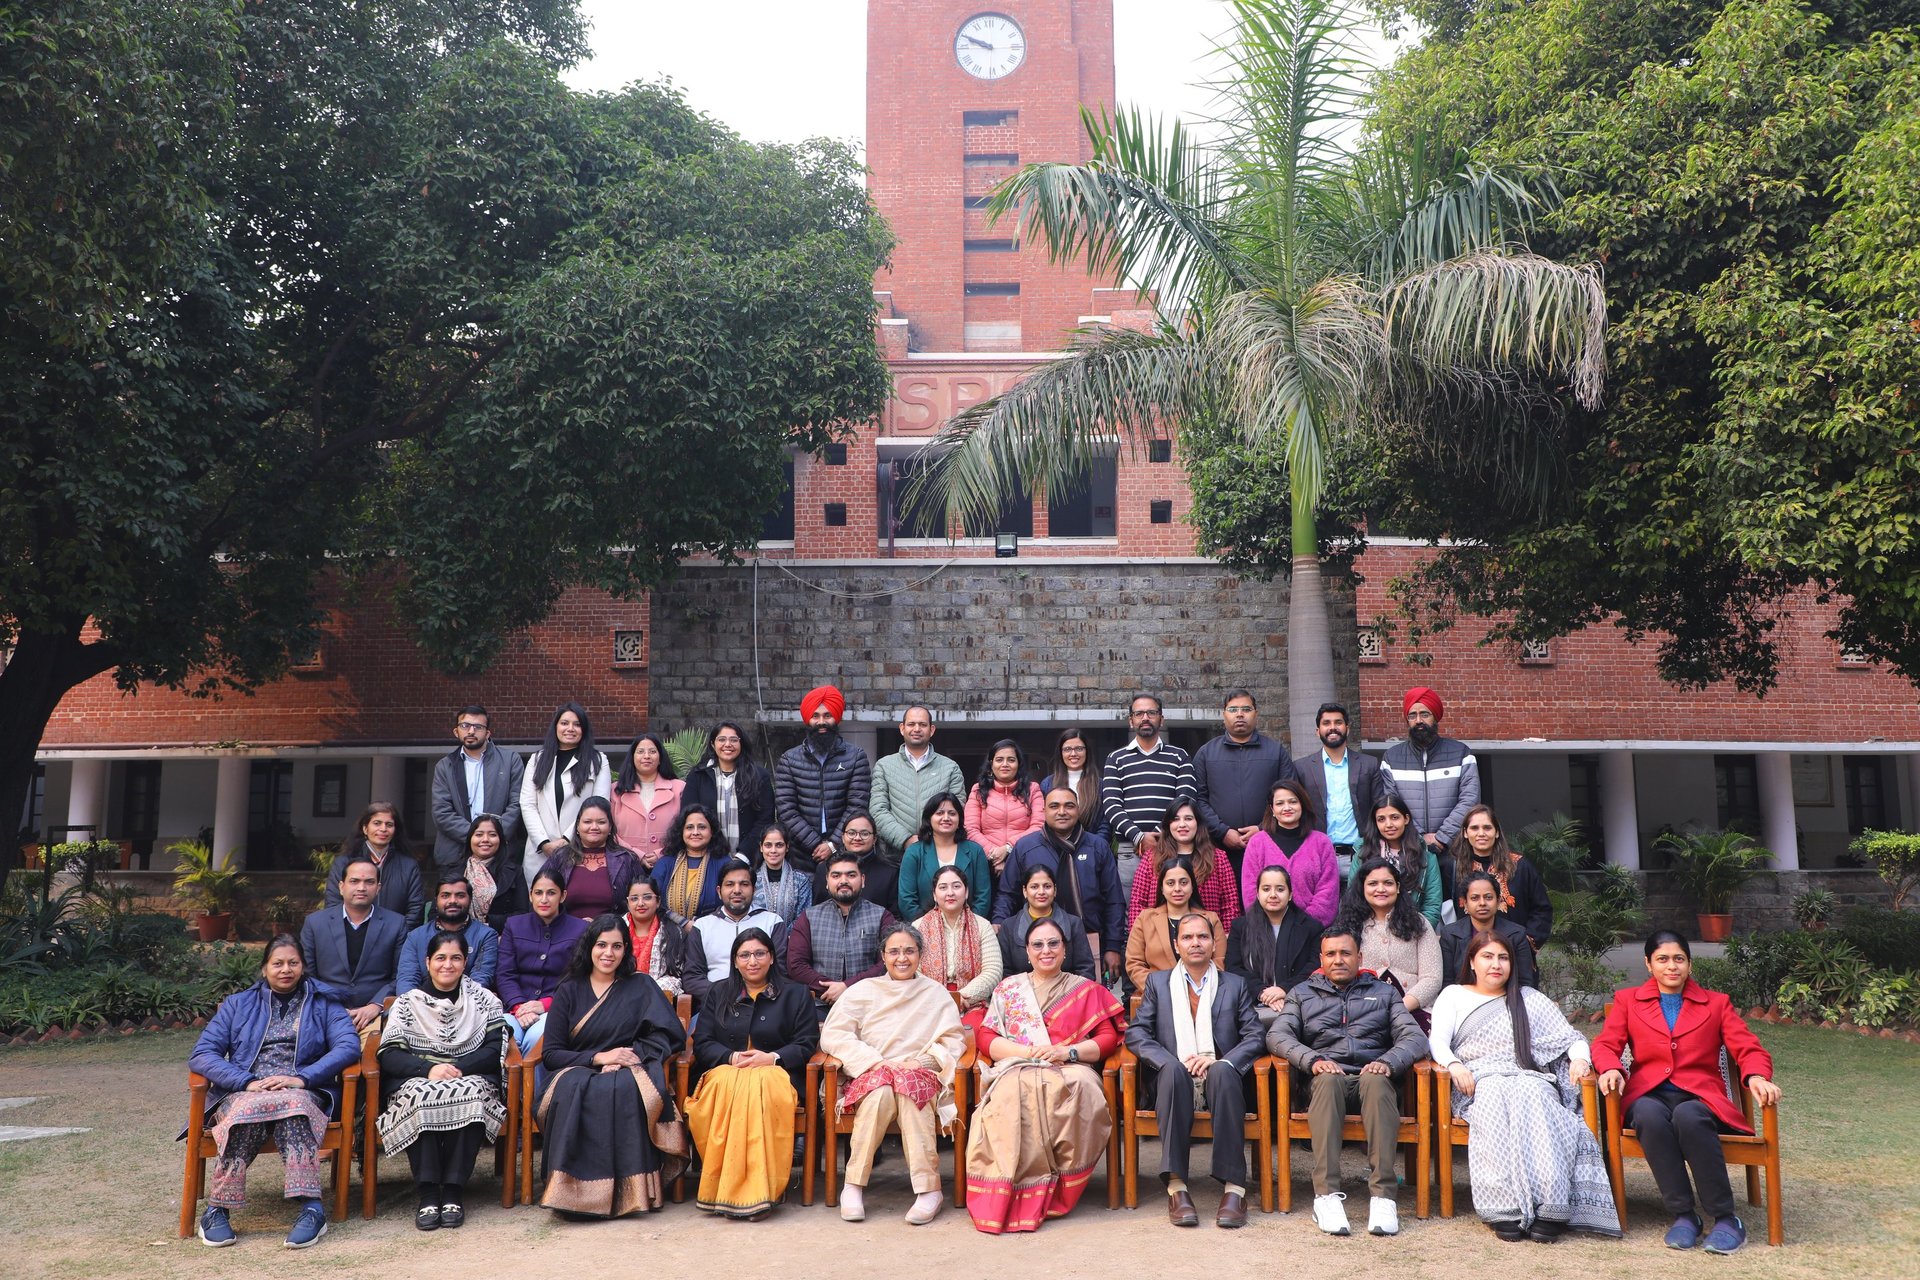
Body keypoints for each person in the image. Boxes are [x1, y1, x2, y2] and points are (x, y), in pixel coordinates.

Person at [1593, 932, 1781, 1255]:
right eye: (1662, 959)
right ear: (1648, 964)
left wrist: (1757, 1076)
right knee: (1649, 1115)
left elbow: (1748, 1048)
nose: (1671, 966)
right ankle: (1684, 1215)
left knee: (1688, 1115)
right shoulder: (1628, 1001)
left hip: (1699, 1098)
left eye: (1679, 959)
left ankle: (1725, 1218)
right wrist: (1610, 1067)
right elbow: (1605, 1045)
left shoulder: (1717, 1004)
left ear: (1690, 964)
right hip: (1649, 1095)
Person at [1429, 930, 1618, 1242]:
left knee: (1534, 1094)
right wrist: (1454, 1065)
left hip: (1529, 1078)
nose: (1496, 964)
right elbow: (1437, 1041)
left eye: (1503, 958)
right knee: (1494, 1096)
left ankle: (1551, 1204)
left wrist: (1581, 1061)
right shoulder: (1454, 995)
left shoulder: (1530, 999)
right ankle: (1502, 1206)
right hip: (1479, 1082)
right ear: (1472, 962)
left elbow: (1571, 1038)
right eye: (1487, 957)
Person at [187, 936, 361, 1249]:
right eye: (277, 963)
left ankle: (311, 1208)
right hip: (246, 1090)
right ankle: (217, 1211)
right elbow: (203, 1053)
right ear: (264, 968)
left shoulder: (324, 1003)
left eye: (293, 963)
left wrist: (302, 1078)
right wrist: (245, 1081)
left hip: (301, 1089)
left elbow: (348, 1045)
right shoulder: (238, 1004)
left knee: (293, 1107)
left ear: (303, 966)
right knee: (246, 1112)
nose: (286, 970)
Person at [965, 917, 1126, 1234]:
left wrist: (1069, 1052)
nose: (1046, 950)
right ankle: (1009, 1192)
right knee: (1009, 1096)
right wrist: (1025, 1053)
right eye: (1037, 945)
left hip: (1070, 1068)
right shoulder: (1009, 989)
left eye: (1054, 943)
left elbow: (1109, 1037)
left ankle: (1059, 1187)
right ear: (1026, 951)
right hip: (1017, 1065)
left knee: (1081, 1087)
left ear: (1065, 949)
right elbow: (985, 1037)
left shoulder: (1085, 990)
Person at [1268, 928, 1430, 1237]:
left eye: (1345, 953)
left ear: (1359, 957)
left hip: (1372, 1079)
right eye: (1331, 954)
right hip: (1324, 1081)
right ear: (1321, 959)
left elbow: (1415, 1037)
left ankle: (1383, 1197)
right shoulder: (1302, 993)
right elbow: (1277, 1035)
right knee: (1328, 1081)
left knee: (1376, 1081)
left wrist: (1386, 1062)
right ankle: (1326, 1196)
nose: (1338, 960)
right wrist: (1313, 1060)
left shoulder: (1384, 993)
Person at [535, 914, 690, 1216]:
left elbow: (669, 1035)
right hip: (577, 1068)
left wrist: (628, 1055)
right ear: (589, 947)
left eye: (617, 946)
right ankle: (572, 1194)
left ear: (626, 950)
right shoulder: (569, 990)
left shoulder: (641, 985)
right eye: (602, 945)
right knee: (574, 1087)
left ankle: (630, 1194)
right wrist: (599, 1057)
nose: (609, 953)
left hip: (628, 1067)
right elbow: (552, 1053)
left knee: (625, 1087)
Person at [820, 922, 968, 1226]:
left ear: (920, 955)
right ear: (883, 956)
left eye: (909, 951)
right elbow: (835, 1035)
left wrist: (923, 1063)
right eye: (894, 951)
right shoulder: (863, 990)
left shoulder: (936, 993)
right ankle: (853, 1185)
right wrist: (874, 1062)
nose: (902, 958)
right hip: (874, 1071)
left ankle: (929, 1190)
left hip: (919, 1073)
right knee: (882, 1092)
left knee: (907, 1091)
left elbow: (954, 1040)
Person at [1126, 913, 1265, 1228]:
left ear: (1214, 943)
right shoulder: (1159, 983)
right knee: (1173, 1072)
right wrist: (1168, 1060)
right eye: (1187, 938)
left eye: (1202, 937)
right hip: (1173, 1081)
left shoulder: (1234, 984)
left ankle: (1234, 1188)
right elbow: (1136, 1034)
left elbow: (1255, 1035)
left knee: (1222, 1072)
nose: (1195, 943)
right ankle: (1177, 1186)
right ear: (1177, 945)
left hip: (1223, 1084)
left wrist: (1223, 1060)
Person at [376, 931, 508, 1231]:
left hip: (470, 1074)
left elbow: (493, 1048)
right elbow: (389, 1053)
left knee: (471, 1094)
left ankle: (452, 1191)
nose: (447, 965)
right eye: (440, 958)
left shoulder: (484, 1000)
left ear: (465, 962)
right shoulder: (408, 1003)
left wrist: (457, 1067)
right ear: (427, 961)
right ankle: (426, 1193)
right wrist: (428, 1070)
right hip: (417, 1077)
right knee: (420, 1097)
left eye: (456, 958)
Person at [687, 928, 820, 1219]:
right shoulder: (718, 992)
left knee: (760, 1088)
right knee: (724, 1087)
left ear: (772, 957)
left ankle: (762, 1193)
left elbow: (806, 1043)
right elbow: (703, 1042)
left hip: (776, 1071)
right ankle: (722, 1190)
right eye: (744, 955)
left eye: (760, 953)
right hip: (727, 1070)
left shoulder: (795, 994)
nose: (752, 961)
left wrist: (771, 1058)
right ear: (735, 961)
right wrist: (731, 1057)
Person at [995, 788, 1123, 981]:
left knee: (1084, 1001)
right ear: (1044, 811)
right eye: (1054, 806)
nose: (1062, 811)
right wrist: (999, 924)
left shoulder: (1097, 847)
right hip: (1037, 945)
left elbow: (1114, 900)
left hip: (1088, 941)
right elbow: (1007, 894)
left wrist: (1113, 946)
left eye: (1069, 806)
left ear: (1078, 810)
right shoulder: (1026, 847)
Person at [298, 855, 407, 1040]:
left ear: (378, 888)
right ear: (341, 886)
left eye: (369, 882)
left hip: (378, 1013)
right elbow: (307, 974)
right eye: (354, 881)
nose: (361, 888)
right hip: (326, 1011)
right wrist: (332, 1008)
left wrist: (375, 1006)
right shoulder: (315, 923)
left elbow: (401, 975)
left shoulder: (396, 924)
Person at [1192, 688, 1294, 876]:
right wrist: (1222, 831)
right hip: (1217, 850)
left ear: (1256, 714)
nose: (1240, 714)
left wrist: (1262, 829)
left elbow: (1290, 798)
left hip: (1267, 847)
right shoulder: (1206, 753)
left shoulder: (1275, 752)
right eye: (1233, 710)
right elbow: (1198, 799)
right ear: (1223, 715)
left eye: (1246, 709)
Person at [787, 850, 899, 1019]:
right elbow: (796, 964)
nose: (843, 881)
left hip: (870, 1005)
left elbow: (887, 962)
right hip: (820, 1005)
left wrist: (847, 987)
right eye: (836, 875)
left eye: (851, 875)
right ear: (827, 882)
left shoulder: (882, 916)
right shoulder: (809, 917)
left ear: (862, 880)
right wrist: (830, 989)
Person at [1381, 686, 1479, 876]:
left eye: (1424, 714)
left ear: (1435, 716)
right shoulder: (1391, 758)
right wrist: (1417, 838)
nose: (1418, 720)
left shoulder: (1461, 753)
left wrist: (1442, 837)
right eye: (1412, 715)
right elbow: (1391, 803)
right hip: (1409, 852)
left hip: (1455, 852)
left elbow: (1470, 799)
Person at [773, 684, 873, 869]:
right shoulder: (789, 759)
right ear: (807, 720)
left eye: (827, 716)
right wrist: (815, 844)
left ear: (837, 718)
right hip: (801, 856)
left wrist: (833, 844)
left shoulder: (856, 756)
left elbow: (857, 805)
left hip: (844, 854)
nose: (821, 722)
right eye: (815, 716)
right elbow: (786, 810)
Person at [1101, 694, 1195, 888]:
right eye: (1139, 713)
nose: (1145, 717)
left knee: (1177, 907)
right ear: (1131, 720)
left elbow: (1186, 799)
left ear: (1161, 719)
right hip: (1131, 849)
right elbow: (1111, 805)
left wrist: (1161, 835)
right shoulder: (1116, 758)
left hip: (1173, 846)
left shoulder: (1179, 756)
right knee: (1133, 913)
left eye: (1151, 713)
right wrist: (1139, 837)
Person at [1339, 856, 1443, 1020]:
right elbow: (1340, 974)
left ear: (1398, 887)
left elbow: (1432, 978)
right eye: (1373, 884)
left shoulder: (1419, 923)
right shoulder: (1349, 926)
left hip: (1414, 1009)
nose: (1381, 889)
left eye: (1388, 883)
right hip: (1363, 1011)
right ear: (1363, 888)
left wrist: (1399, 1008)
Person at [495, 868, 587, 1053]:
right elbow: (505, 973)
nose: (544, 899)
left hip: (556, 1008)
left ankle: (535, 1084)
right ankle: (508, 1083)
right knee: (502, 1034)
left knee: (536, 1039)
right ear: (530, 896)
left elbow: (579, 978)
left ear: (563, 896)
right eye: (538, 893)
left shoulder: (581, 929)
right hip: (516, 1008)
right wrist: (520, 1006)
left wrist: (544, 1004)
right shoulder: (514, 925)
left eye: (551, 893)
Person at [429, 705, 525, 881]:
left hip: (500, 855)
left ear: (488, 733)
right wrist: (477, 836)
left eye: (478, 727)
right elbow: (441, 812)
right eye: (465, 726)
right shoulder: (445, 766)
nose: (471, 731)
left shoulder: (510, 760)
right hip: (455, 855)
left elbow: (517, 804)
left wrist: (492, 837)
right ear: (456, 731)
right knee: (456, 906)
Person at [1290, 703, 1387, 877]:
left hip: (1360, 855)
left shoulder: (1369, 764)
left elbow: (1380, 807)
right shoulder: (1302, 768)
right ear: (1317, 731)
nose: (1332, 727)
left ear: (1347, 729)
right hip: (1318, 856)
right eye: (1326, 723)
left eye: (1338, 722)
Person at [519, 701, 612, 880]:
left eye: (577, 724)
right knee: (543, 901)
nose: (570, 729)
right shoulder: (537, 759)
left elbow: (600, 805)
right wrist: (544, 842)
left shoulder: (598, 760)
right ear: (555, 727)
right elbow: (527, 804)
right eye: (564, 723)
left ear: (584, 730)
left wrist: (567, 840)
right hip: (540, 851)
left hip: (579, 847)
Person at [1224, 865, 1323, 1029]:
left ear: (1290, 894)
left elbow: (1315, 966)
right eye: (1266, 889)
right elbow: (1233, 968)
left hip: (1300, 1005)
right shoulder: (1241, 927)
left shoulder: (1311, 927)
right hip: (1251, 1005)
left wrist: (1284, 989)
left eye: (1280, 889)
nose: (1273, 895)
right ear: (1257, 893)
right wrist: (1262, 992)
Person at [1126, 800, 1242, 933]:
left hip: (1206, 941)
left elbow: (1230, 904)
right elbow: (1137, 903)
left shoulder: (1218, 858)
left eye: (1188, 818)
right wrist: (1139, 939)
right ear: (1168, 824)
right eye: (1175, 819)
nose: (1182, 824)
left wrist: (1226, 938)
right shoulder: (1151, 858)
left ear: (1198, 823)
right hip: (1159, 941)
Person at [684, 858, 789, 1004]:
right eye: (730, 884)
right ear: (719, 892)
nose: (737, 890)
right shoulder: (702, 926)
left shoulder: (772, 922)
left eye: (744, 884)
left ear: (754, 889)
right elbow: (692, 978)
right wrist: (725, 996)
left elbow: (780, 972)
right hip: (716, 1004)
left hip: (764, 1005)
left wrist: (754, 996)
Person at [869, 705, 966, 862]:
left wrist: (931, 840)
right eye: (911, 724)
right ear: (902, 728)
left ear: (932, 729)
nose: (917, 729)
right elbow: (878, 811)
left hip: (939, 855)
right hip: (894, 858)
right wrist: (906, 840)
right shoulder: (884, 766)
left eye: (922, 724)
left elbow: (957, 808)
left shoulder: (950, 767)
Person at [1450, 804, 1553, 949]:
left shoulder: (1520, 866)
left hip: (1515, 952)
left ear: (1497, 832)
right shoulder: (1455, 868)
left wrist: (1526, 943)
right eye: (1474, 828)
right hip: (1470, 954)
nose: (1481, 833)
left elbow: (1542, 910)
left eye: (1487, 827)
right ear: (1465, 833)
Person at [1238, 780, 1341, 925]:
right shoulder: (1257, 843)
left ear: (1302, 805)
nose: (1287, 807)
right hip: (1267, 931)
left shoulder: (1321, 843)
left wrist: (1303, 926)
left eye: (1293, 802)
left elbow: (1328, 892)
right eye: (1280, 803)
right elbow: (1250, 891)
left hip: (1312, 932)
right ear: (1272, 809)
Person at [1125, 857, 1225, 991]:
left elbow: (1219, 962)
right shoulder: (1145, 919)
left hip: (1203, 993)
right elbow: (1134, 964)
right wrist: (1164, 989)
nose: (1177, 889)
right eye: (1170, 883)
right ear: (1161, 888)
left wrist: (1195, 989)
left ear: (1192, 886)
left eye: (1183, 882)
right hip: (1158, 996)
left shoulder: (1211, 919)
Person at [912, 865, 1003, 1012]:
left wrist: (961, 998)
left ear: (966, 892)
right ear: (934, 895)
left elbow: (993, 971)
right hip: (928, 1003)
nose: (950, 893)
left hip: (973, 1004)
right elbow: (914, 972)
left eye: (956, 886)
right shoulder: (918, 927)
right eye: (943, 887)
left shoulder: (983, 926)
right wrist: (940, 998)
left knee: (974, 1032)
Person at [537, 796, 642, 922]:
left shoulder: (626, 860)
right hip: (564, 936)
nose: (594, 827)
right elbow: (539, 897)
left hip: (613, 935)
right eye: (587, 822)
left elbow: (642, 901)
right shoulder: (560, 858)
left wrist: (604, 926)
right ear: (577, 827)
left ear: (610, 828)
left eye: (601, 822)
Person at [682, 721, 777, 854]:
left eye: (734, 740)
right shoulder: (698, 776)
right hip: (708, 856)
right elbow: (688, 815)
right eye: (721, 739)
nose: (728, 744)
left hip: (749, 859)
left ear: (741, 744)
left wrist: (744, 855)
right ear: (712, 744)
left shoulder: (759, 776)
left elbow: (765, 819)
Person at [323, 801, 426, 924]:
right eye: (377, 823)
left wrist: (398, 937)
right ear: (365, 828)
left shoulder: (408, 866)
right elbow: (333, 904)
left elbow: (416, 909)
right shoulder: (343, 863)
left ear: (395, 830)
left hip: (397, 939)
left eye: (389, 824)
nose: (383, 829)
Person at [897, 792, 993, 920]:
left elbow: (983, 898)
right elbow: (906, 899)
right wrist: (928, 927)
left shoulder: (975, 851)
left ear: (960, 819)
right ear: (929, 818)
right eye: (940, 813)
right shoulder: (914, 852)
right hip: (924, 929)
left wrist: (969, 925)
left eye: (952, 813)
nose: (946, 818)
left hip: (969, 928)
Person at [395, 876, 499, 993]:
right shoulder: (416, 937)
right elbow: (407, 979)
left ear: (470, 900)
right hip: (421, 1005)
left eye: (460, 895)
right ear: (436, 900)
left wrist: (455, 1007)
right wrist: (416, 1006)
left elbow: (481, 978)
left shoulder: (486, 935)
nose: (452, 901)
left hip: (468, 1005)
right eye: (445, 895)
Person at [1439, 871, 1538, 991]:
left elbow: (1525, 984)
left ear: (1498, 901)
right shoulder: (1450, 935)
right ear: (1465, 903)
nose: (1482, 903)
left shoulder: (1517, 934)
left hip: (1507, 1002)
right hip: (1463, 1004)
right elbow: (1447, 985)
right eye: (1475, 898)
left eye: (1488, 897)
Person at [996, 863, 1096, 981]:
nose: (1041, 892)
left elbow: (1085, 969)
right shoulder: (1009, 926)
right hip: (1023, 996)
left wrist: (1070, 996)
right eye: (1034, 887)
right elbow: (1004, 972)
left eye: (1047, 886)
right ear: (1024, 891)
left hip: (1068, 995)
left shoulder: (1073, 923)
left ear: (1055, 890)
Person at [964, 738, 1045, 878]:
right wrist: (995, 855)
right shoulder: (978, 790)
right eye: (999, 759)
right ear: (991, 764)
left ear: (1019, 764)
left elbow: (1038, 826)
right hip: (986, 862)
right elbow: (970, 828)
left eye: (1011, 760)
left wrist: (1008, 849)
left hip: (1024, 858)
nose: (1005, 764)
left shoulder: (1032, 789)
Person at [1367, 793, 1447, 924]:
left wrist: (1416, 935)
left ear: (1406, 819)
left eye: (1394, 817)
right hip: (1372, 930)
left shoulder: (1426, 855)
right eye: (1381, 819)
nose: (1388, 824)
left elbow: (1432, 905)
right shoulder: (1363, 852)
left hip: (1415, 931)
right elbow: (1355, 898)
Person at [610, 732, 684, 870]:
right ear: (632, 757)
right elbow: (609, 831)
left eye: (652, 751)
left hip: (670, 863)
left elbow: (686, 827)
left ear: (660, 757)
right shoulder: (616, 791)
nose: (646, 756)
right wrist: (638, 855)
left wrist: (660, 854)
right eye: (640, 751)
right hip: (626, 864)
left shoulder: (679, 788)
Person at [653, 803, 730, 925]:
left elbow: (730, 903)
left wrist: (699, 925)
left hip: (712, 931)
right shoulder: (665, 863)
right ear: (681, 832)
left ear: (712, 832)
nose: (695, 832)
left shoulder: (724, 864)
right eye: (689, 827)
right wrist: (683, 923)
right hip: (669, 933)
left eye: (702, 827)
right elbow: (653, 901)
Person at [807, 812, 897, 912]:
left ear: (874, 839)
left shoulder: (889, 872)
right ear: (843, 837)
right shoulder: (825, 869)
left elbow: (894, 916)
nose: (857, 838)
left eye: (864, 834)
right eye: (851, 833)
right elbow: (817, 910)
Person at [621, 877, 686, 1001]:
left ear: (658, 901)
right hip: (617, 999)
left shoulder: (673, 933)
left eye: (647, 897)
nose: (640, 903)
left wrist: (646, 990)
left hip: (657, 1002)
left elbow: (676, 976)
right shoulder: (615, 931)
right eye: (634, 898)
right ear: (628, 903)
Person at [460, 814, 527, 931]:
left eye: (492, 835)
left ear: (500, 840)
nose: (485, 839)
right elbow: (436, 913)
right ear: (470, 839)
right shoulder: (456, 871)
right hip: (459, 938)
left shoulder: (515, 872)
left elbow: (522, 914)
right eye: (479, 834)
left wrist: (491, 923)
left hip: (502, 937)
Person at [1039, 727, 1106, 840]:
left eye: (1079, 748)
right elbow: (1042, 819)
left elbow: (1105, 825)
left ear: (1087, 751)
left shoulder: (1100, 785)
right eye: (1067, 749)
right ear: (1060, 753)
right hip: (1054, 847)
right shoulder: (1047, 784)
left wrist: (1093, 848)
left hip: (1092, 848)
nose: (1073, 753)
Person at [750, 826, 812, 925]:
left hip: (791, 938)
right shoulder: (751, 879)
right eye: (768, 845)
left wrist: (782, 936)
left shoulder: (801, 881)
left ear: (787, 847)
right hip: (757, 937)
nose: (773, 850)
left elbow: (803, 917)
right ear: (761, 847)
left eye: (779, 845)